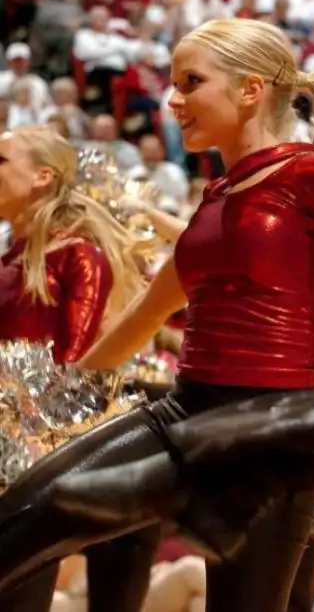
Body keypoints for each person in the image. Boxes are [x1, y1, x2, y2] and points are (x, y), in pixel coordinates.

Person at [0, 18, 314, 612]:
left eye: (191, 82)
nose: (173, 99)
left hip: (273, 434)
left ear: (250, 89)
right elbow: (144, 314)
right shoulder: (217, 197)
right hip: (182, 412)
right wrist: (50, 405)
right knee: (25, 516)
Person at [0, 124, 159, 612]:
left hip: (28, 450)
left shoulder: (78, 256)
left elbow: (73, 366)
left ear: (43, 176)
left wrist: (34, 443)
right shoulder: (8, 256)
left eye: (2, 161)